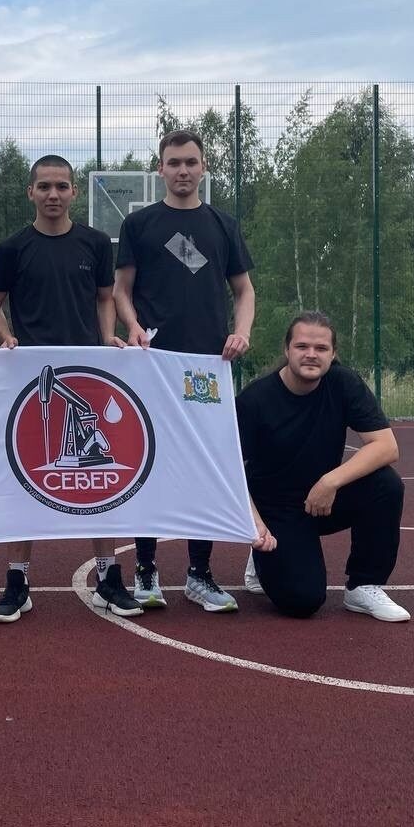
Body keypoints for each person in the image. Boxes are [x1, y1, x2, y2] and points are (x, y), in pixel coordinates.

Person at [0, 154, 142, 622]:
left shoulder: (95, 243)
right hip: (30, 381)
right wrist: (5, 336)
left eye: (62, 186)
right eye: (45, 186)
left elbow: (105, 298)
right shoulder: (13, 248)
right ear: (31, 192)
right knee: (25, 477)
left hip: (88, 375)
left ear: (74, 192)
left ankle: (109, 579)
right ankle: (17, 582)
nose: (53, 194)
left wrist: (106, 339)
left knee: (101, 478)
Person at [114, 129, 255, 613]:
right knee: (147, 462)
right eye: (174, 162)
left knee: (204, 465)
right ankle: (145, 569)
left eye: (191, 162)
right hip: (152, 364)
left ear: (203, 166)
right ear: (160, 169)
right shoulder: (140, 224)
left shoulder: (222, 224)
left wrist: (241, 332)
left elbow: (244, 290)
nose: (182, 170)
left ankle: (199, 574)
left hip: (206, 366)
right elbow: (121, 290)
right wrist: (133, 326)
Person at [237, 311, 409, 622]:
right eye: (302, 346)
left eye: (321, 348)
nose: (311, 355)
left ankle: (363, 585)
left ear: (333, 353)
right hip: (275, 509)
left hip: (322, 500)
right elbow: (229, 470)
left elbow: (387, 446)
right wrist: (256, 524)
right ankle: (264, 558)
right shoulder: (255, 400)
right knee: (303, 601)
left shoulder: (343, 383)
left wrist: (330, 482)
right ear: (287, 349)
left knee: (386, 485)